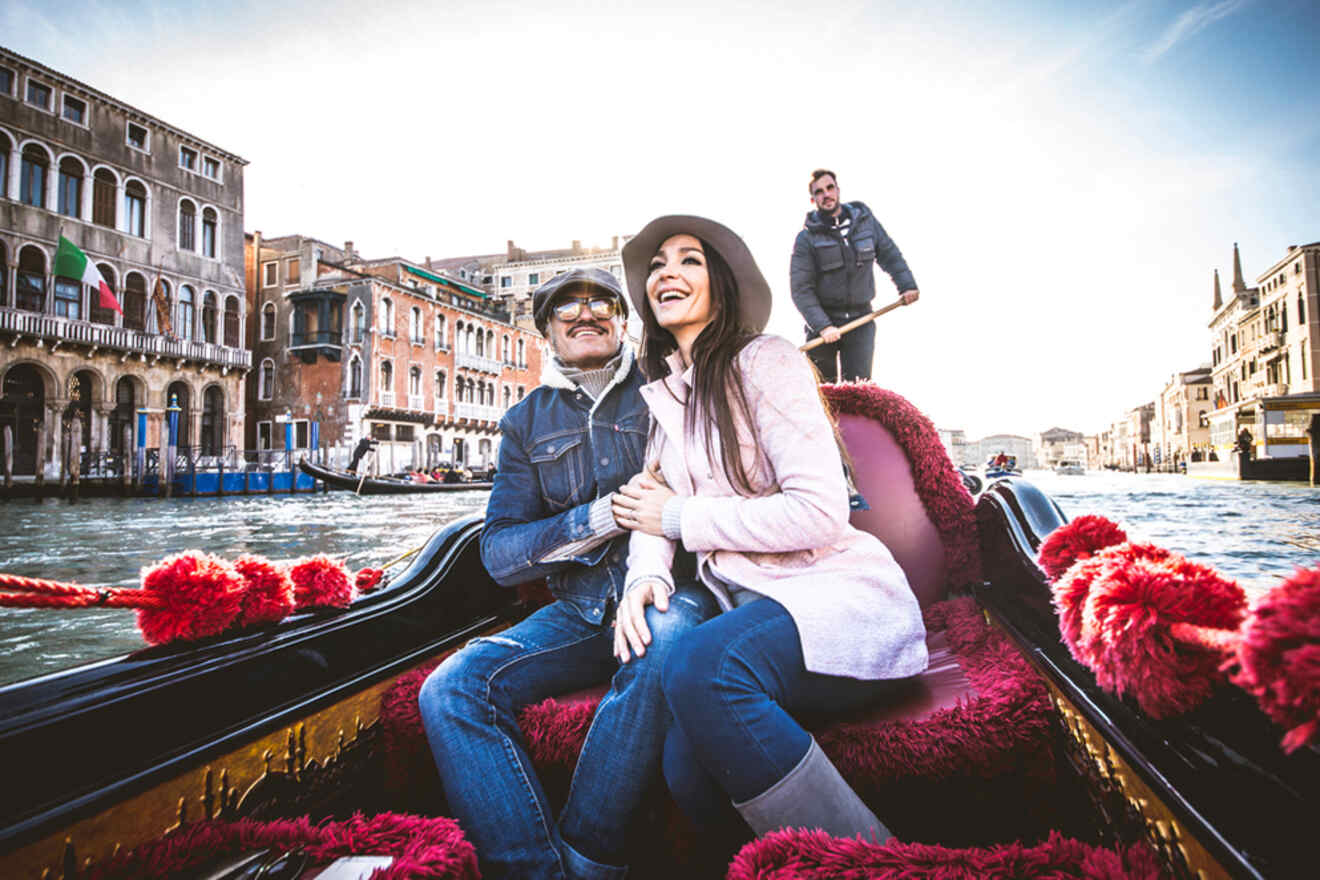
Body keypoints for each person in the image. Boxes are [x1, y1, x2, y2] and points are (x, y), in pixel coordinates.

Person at [611, 216, 927, 844]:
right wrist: (645, 574)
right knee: (684, 762)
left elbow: (818, 511)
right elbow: (650, 504)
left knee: (700, 665)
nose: (667, 272)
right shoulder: (668, 396)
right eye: (657, 265)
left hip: (836, 602)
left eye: (689, 261)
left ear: (721, 286)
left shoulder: (767, 360)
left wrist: (678, 519)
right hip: (762, 613)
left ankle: (876, 865)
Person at [417, 267, 716, 880]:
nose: (586, 313)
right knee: (450, 690)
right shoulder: (524, 423)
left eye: (601, 302)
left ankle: (588, 861)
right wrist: (600, 517)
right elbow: (500, 555)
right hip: (580, 616)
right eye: (567, 307)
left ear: (624, 320)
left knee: (665, 644)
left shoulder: (671, 387)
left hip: (675, 596)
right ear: (548, 331)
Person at [789, 169, 920, 382]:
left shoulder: (865, 223)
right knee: (824, 396)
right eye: (819, 192)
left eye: (830, 188)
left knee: (860, 392)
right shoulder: (807, 239)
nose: (826, 194)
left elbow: (889, 254)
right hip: (824, 327)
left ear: (838, 190)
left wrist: (907, 286)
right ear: (813, 199)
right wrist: (823, 326)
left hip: (861, 320)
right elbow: (801, 289)